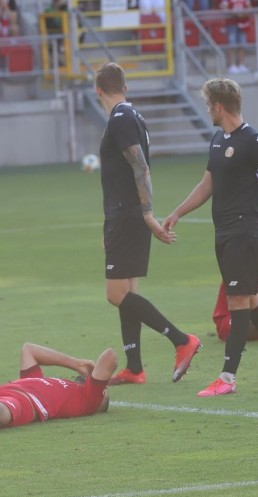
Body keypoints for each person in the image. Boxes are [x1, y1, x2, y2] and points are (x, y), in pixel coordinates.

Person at [163, 77, 258, 396]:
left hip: (245, 232)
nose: (207, 111)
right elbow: (206, 185)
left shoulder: (255, 142)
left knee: (238, 302)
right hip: (224, 234)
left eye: (207, 105)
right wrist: (176, 213)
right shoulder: (218, 140)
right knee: (253, 302)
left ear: (218, 106)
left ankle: (227, 379)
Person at [94, 62, 202, 386]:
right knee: (128, 291)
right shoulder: (134, 116)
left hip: (128, 214)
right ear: (125, 87)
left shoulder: (120, 119)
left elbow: (140, 167)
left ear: (98, 91)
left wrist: (146, 214)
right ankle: (135, 367)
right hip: (123, 214)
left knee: (116, 295)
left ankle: (182, 340)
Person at [220, 0, 250, 74]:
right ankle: (231, 65)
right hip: (231, 24)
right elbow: (223, 8)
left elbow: (249, 8)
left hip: (243, 23)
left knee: (242, 45)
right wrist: (234, 13)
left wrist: (242, 14)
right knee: (231, 45)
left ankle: (241, 64)